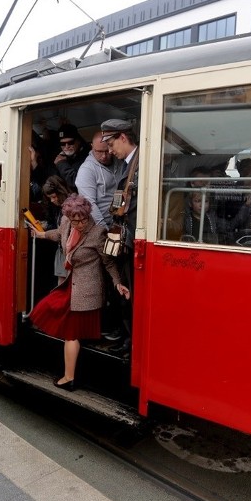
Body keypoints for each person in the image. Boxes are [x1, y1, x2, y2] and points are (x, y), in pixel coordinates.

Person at [28, 194, 129, 390]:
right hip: (69, 282)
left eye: (82, 219)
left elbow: (108, 262)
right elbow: (59, 234)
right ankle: (70, 375)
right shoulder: (67, 222)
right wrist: (40, 234)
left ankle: (69, 378)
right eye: (75, 220)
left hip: (86, 289)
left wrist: (118, 283)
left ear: (87, 214)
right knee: (45, 308)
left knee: (71, 334)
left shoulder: (98, 233)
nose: (79, 224)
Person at [103, 118, 139, 357]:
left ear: (123, 138)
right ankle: (128, 338)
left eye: (111, 143)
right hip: (127, 238)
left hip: (133, 239)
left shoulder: (139, 163)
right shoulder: (129, 163)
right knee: (125, 291)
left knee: (129, 292)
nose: (110, 150)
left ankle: (132, 341)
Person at [75, 130, 121, 227]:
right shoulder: (86, 170)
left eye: (107, 151)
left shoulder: (119, 161)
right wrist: (104, 231)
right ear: (92, 147)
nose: (104, 156)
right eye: (99, 151)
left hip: (120, 222)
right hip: (102, 226)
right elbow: (89, 204)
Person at [41, 175, 76, 287]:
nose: (52, 200)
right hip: (62, 250)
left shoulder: (71, 207)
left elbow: (61, 233)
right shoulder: (62, 207)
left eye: (53, 196)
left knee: (63, 286)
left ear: (60, 191)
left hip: (69, 251)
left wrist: (42, 234)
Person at [53, 124, 89, 190]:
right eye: (62, 144)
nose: (66, 146)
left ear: (78, 141)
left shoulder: (88, 156)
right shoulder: (61, 156)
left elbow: (76, 182)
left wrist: (61, 164)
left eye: (70, 142)